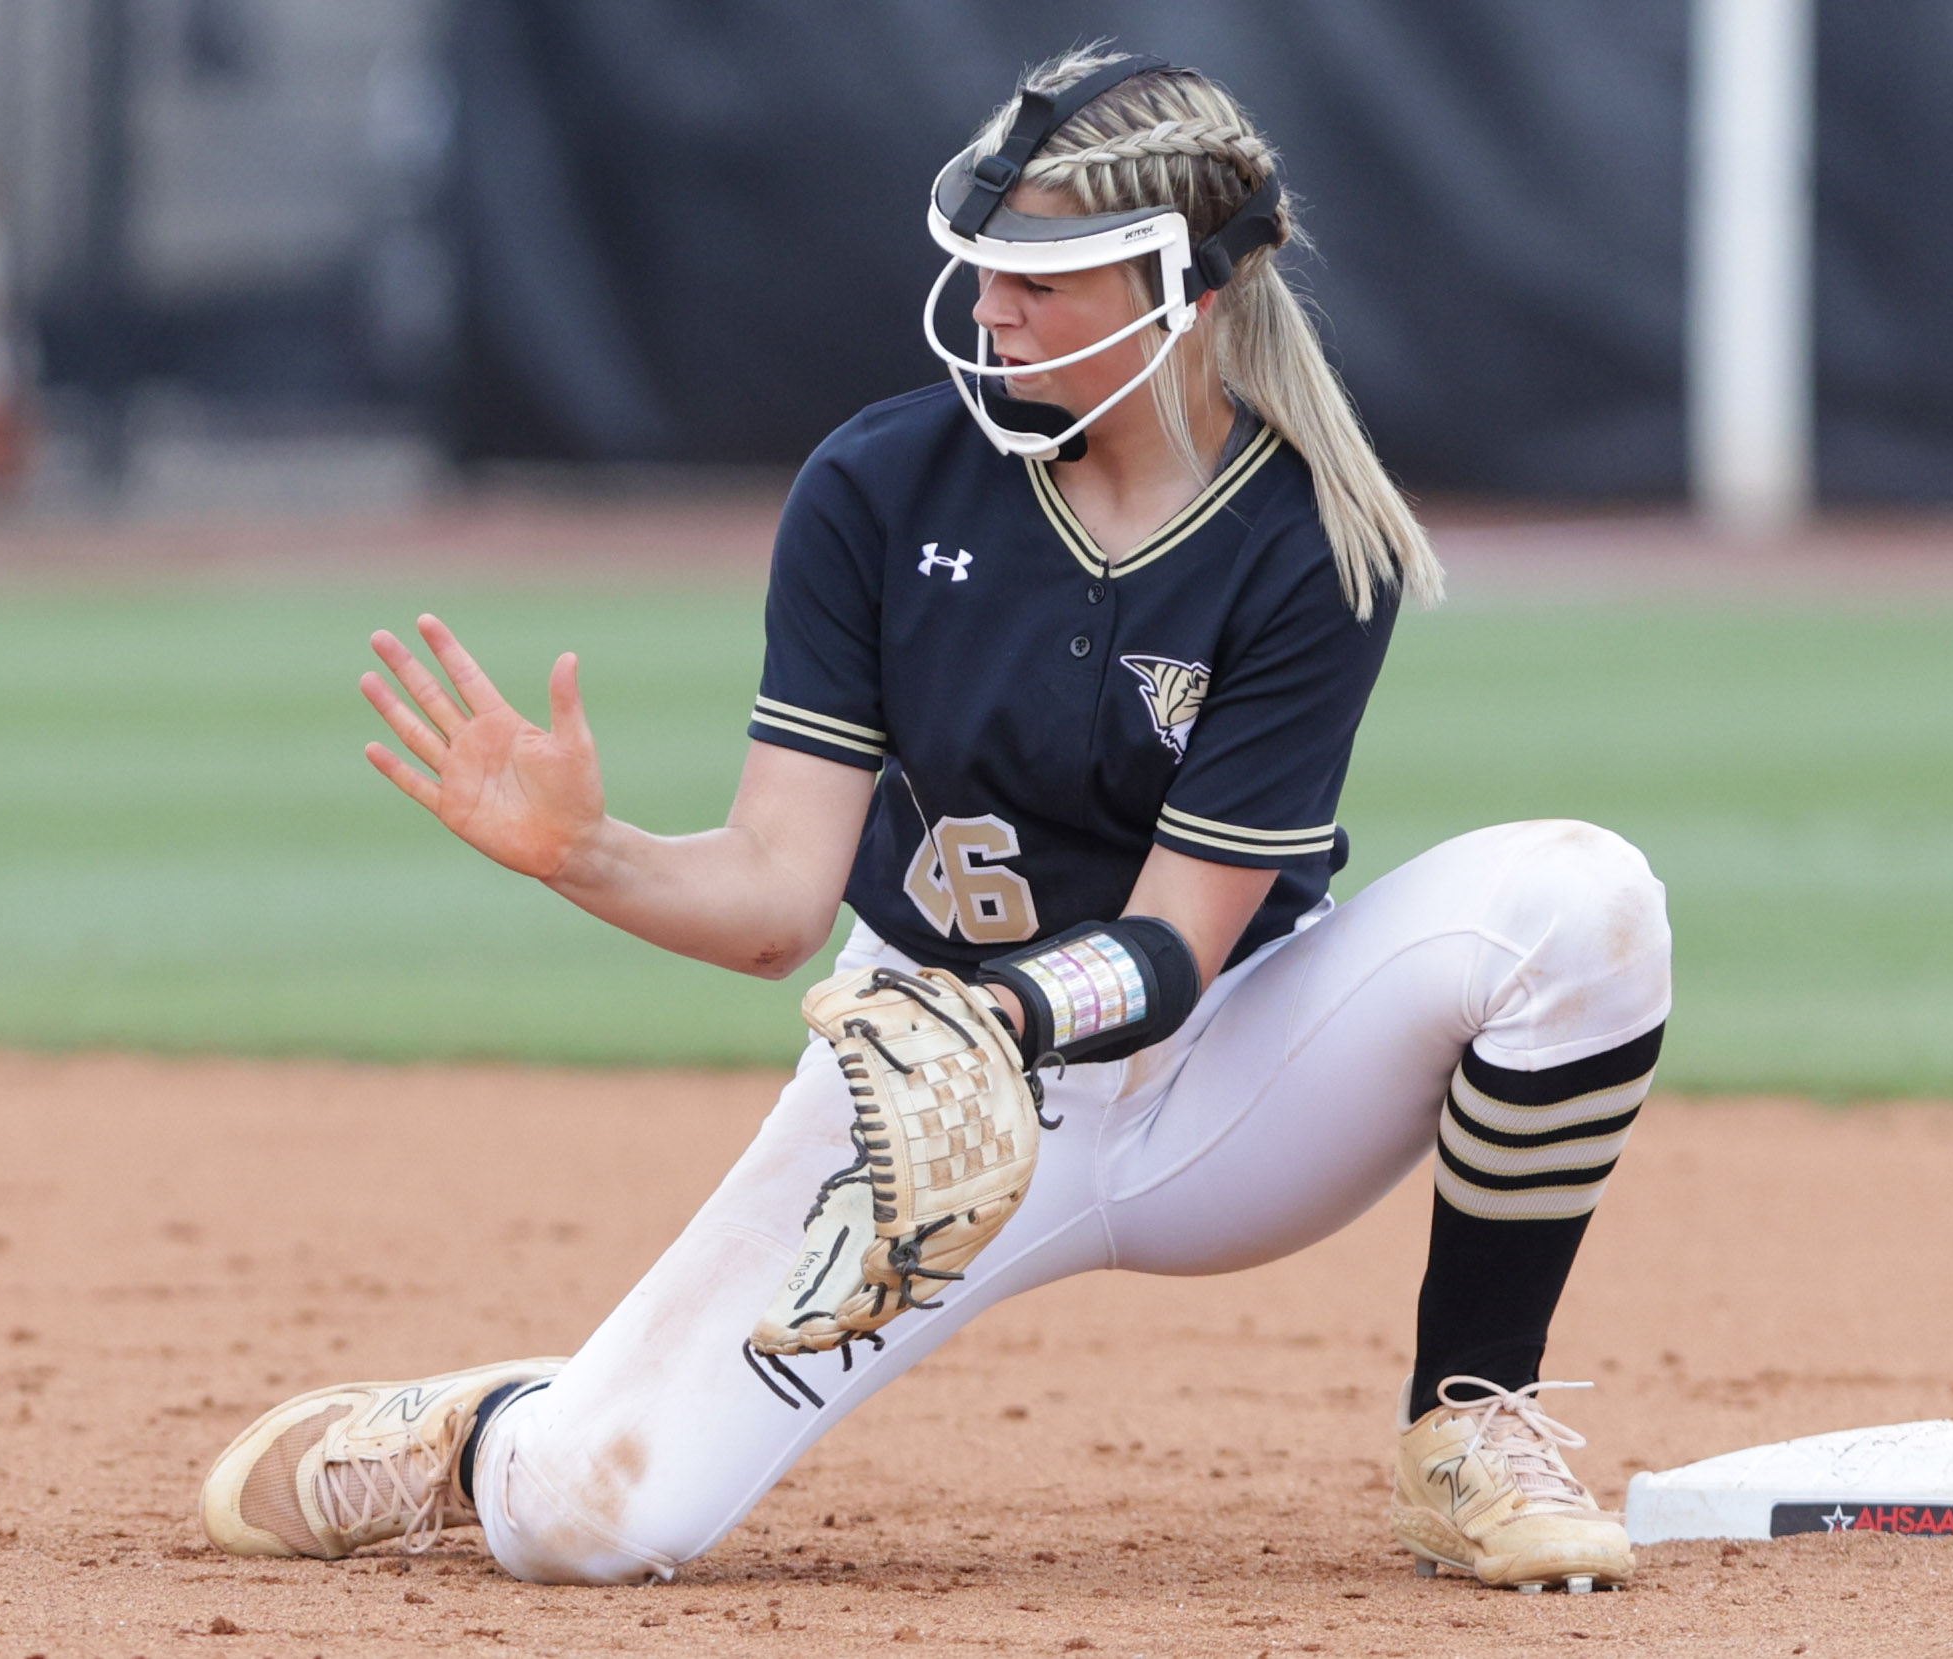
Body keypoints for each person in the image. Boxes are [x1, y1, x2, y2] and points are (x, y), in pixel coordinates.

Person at [198, 48, 1671, 1594]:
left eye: (1039, 276)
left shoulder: (1307, 534)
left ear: (1181, 287)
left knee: (1582, 902)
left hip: (1231, 1071)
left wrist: (1008, 1015)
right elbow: (777, 903)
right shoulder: (883, 483)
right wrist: (587, 849)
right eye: (979, 264)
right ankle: (487, 1427)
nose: (989, 309)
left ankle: (1465, 1427)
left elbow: (1177, 945)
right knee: (590, 1522)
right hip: (923, 1095)